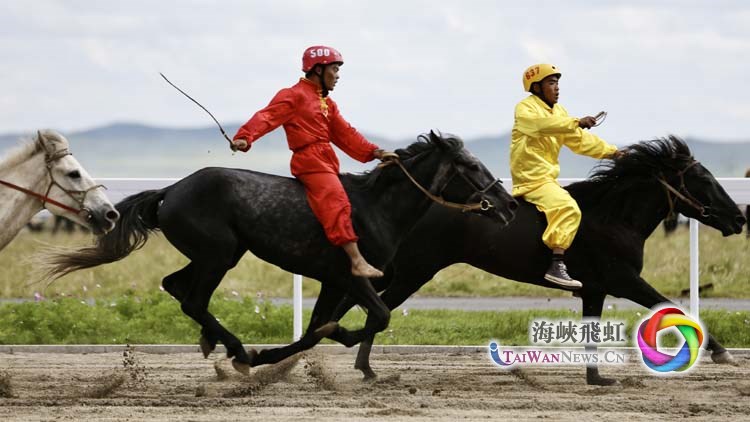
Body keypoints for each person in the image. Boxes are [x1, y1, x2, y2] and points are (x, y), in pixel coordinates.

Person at [231, 45, 396, 278]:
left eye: (338, 70)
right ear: (318, 69)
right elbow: (267, 117)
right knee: (336, 199)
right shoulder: (292, 95)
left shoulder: (328, 104)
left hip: (327, 159)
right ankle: (356, 261)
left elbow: (345, 134)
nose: (337, 76)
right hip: (309, 160)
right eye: (334, 69)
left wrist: (375, 152)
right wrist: (245, 137)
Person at [510, 64, 620, 289]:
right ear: (537, 87)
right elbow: (542, 126)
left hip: (547, 180)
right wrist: (576, 122)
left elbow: (580, 141)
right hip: (531, 181)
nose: (557, 88)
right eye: (551, 83)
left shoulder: (559, 113)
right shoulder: (525, 109)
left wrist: (614, 153)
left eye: (557, 83)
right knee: (568, 208)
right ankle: (556, 265)